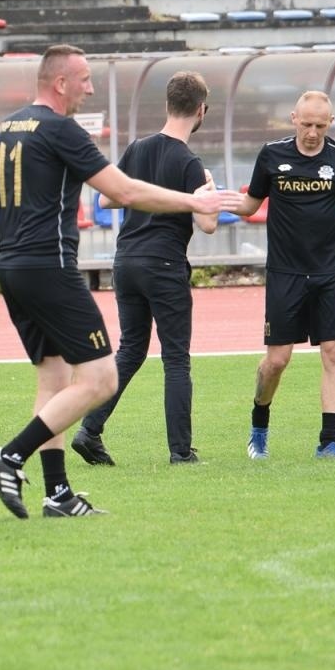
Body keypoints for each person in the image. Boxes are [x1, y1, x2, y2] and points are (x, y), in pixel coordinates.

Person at [0, 45, 244, 519]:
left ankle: (57, 493)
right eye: (84, 79)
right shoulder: (62, 130)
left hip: (12, 269)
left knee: (55, 380)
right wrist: (194, 201)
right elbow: (120, 191)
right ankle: (10, 456)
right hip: (50, 267)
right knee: (101, 377)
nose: (91, 87)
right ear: (59, 83)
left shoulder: (3, 130)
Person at [231, 90, 335, 461]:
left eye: (320, 125)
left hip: (331, 272)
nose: (313, 132)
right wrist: (209, 199)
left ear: (330, 123)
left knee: (334, 354)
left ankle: (329, 442)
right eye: (306, 124)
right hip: (285, 273)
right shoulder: (272, 155)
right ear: (293, 119)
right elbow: (250, 204)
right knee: (277, 361)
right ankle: (258, 428)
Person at [70, 71, 220, 467]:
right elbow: (207, 224)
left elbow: (105, 203)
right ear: (201, 110)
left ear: (168, 105)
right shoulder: (190, 163)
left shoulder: (137, 148)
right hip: (164, 264)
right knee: (176, 357)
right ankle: (181, 452)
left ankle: (90, 430)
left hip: (127, 261)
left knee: (131, 349)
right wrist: (206, 193)